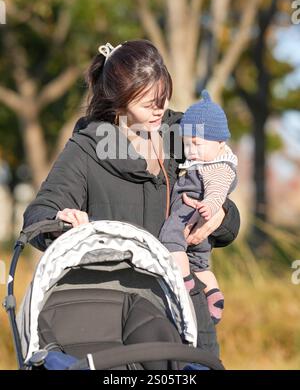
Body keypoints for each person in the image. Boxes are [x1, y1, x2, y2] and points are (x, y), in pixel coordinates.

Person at [23, 39, 240, 357]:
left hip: (181, 308)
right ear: (118, 102)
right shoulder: (87, 149)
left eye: (163, 98)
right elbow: (38, 214)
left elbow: (226, 201)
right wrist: (60, 224)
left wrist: (220, 217)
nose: (161, 109)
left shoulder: (184, 134)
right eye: (148, 103)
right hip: (107, 313)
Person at [159, 90, 238, 324]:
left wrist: (211, 207)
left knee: (170, 240)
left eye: (197, 144)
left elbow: (217, 191)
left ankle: (184, 285)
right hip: (198, 223)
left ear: (220, 143)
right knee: (199, 263)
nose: (191, 150)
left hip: (190, 213)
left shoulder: (218, 166)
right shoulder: (201, 160)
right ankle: (212, 294)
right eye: (187, 144)